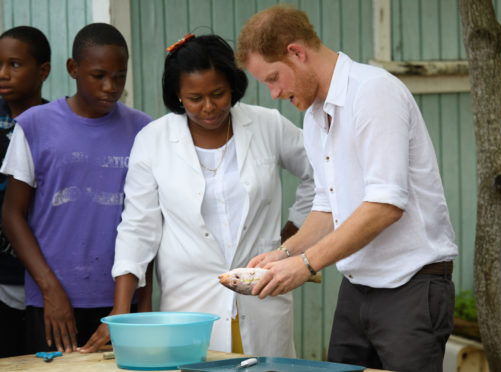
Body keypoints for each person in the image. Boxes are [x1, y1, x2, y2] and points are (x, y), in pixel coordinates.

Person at [235, 5, 458, 372]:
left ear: (296, 53)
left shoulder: (373, 92)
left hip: (411, 287)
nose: (274, 93)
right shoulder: (311, 115)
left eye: (274, 78)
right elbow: (328, 206)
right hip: (357, 287)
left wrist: (305, 265)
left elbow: (385, 205)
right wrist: (284, 252)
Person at [79, 34, 314, 357]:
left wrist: (293, 234)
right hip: (189, 302)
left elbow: (321, 174)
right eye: (194, 98)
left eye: (218, 94)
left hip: (261, 296)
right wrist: (121, 309)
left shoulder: (267, 125)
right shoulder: (153, 141)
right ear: (177, 96)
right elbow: (137, 228)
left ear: (233, 85)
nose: (208, 107)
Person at [0, 23, 152, 354]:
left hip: (122, 304)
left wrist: (145, 304)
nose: (111, 87)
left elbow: (151, 223)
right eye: (99, 75)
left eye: (120, 76)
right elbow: (12, 214)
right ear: (73, 68)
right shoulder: (34, 125)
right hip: (52, 302)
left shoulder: (143, 129)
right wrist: (50, 289)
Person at [0, 25, 51, 358]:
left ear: (43, 71)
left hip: (49, 283)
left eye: (14, 64)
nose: (3, 74)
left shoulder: (54, 125)